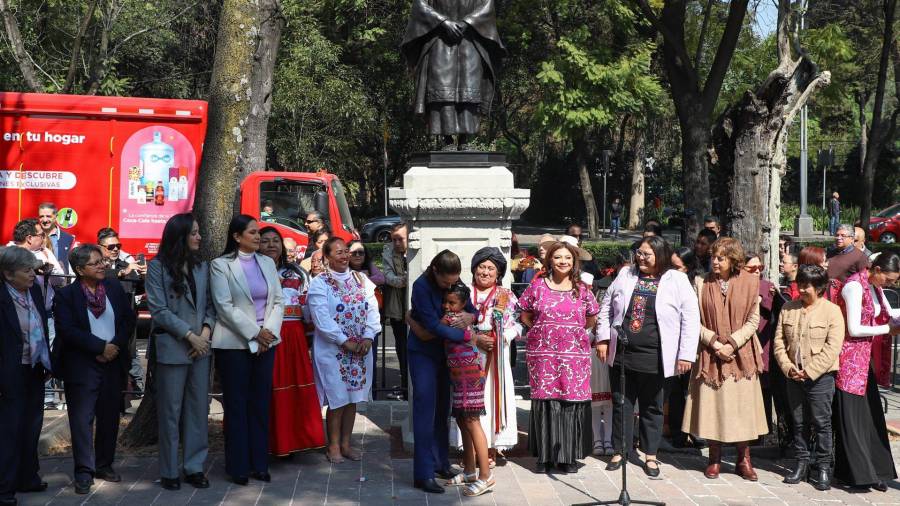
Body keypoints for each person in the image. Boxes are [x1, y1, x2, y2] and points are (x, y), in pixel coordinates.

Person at [596, 236, 700, 477]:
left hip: (657, 356)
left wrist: (685, 354)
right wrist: (602, 338)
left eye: (647, 254)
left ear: (660, 256)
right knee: (622, 403)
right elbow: (606, 307)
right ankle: (620, 451)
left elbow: (691, 318)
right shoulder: (626, 275)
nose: (641, 258)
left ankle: (650, 455)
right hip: (623, 354)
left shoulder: (677, 279)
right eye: (639, 253)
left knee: (653, 407)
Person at [682, 237, 768, 481]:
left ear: (734, 260)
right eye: (713, 257)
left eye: (721, 258)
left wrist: (731, 343)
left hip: (741, 355)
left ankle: (744, 459)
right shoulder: (700, 282)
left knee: (742, 409)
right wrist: (713, 341)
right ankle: (714, 458)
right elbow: (693, 319)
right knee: (713, 408)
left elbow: (753, 320)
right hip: (710, 354)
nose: (715, 262)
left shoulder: (751, 283)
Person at [53, 244, 135, 495]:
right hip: (82, 364)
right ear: (79, 269)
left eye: (102, 261)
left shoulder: (113, 288)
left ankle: (104, 465)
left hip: (113, 361)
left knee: (110, 416)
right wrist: (99, 347)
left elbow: (127, 320)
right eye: (95, 263)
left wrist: (114, 347)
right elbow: (67, 330)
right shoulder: (67, 295)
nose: (103, 266)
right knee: (81, 419)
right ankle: (84, 471)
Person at [210, 215, 284, 485]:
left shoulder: (266, 263)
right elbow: (224, 306)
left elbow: (278, 300)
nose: (258, 237)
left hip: (267, 343)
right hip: (235, 344)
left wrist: (269, 334)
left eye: (258, 233)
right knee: (237, 406)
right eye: (252, 233)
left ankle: (259, 463)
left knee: (260, 404)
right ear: (237, 236)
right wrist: (256, 333)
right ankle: (238, 466)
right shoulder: (221, 265)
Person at [145, 214, 215, 491]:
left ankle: (194, 467)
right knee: (170, 412)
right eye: (194, 233)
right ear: (180, 236)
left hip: (201, 349)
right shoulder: (157, 267)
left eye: (199, 232)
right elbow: (159, 310)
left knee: (198, 410)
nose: (199, 237)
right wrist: (189, 336)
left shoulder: (202, 266)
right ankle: (169, 470)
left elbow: (211, 305)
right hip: (174, 347)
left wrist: (205, 335)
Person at [518, 241, 600, 474]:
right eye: (558, 257)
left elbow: (591, 318)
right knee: (546, 402)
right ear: (549, 260)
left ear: (574, 261)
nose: (563, 261)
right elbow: (525, 314)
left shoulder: (582, 289)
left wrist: (570, 333)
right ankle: (544, 457)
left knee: (570, 403)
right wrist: (543, 331)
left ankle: (567, 457)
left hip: (574, 356)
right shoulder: (537, 287)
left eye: (568, 258)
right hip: (543, 355)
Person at [406, 250, 476, 493]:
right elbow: (432, 327)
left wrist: (469, 316)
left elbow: (472, 308)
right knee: (425, 410)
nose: (451, 286)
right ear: (435, 270)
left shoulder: (455, 281)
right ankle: (422, 474)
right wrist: (468, 336)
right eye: (446, 282)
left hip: (447, 354)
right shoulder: (421, 287)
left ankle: (440, 463)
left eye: (454, 281)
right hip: (423, 353)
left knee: (443, 409)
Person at [447, 247, 521, 467]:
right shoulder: (462, 292)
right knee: (468, 402)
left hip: (495, 355)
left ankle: (490, 449)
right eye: (482, 267)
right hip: (466, 355)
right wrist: (475, 338)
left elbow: (517, 324)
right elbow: (451, 318)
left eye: (491, 268)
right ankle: (469, 451)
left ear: (498, 273)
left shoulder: (505, 295)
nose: (486, 272)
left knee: (491, 398)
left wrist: (501, 338)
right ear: (474, 269)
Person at [308, 237, 380, 463]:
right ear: (327, 257)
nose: (344, 256)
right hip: (333, 350)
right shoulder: (320, 283)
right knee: (337, 398)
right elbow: (321, 318)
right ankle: (334, 446)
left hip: (360, 350)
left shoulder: (361, 279)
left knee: (352, 398)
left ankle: (347, 444)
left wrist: (368, 336)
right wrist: (343, 341)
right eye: (337, 252)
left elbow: (372, 310)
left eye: (346, 251)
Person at [772, 265, 844, 491]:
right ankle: (801, 463)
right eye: (800, 284)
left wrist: (810, 371)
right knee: (799, 421)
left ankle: (822, 466)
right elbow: (779, 343)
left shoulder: (832, 311)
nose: (802, 290)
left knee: (821, 423)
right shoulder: (788, 308)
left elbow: (833, 348)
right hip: (793, 375)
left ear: (820, 287)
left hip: (820, 377)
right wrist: (788, 367)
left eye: (807, 286)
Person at [832, 252, 900, 491]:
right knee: (852, 418)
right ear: (878, 270)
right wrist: (886, 329)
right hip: (849, 358)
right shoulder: (854, 287)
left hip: (864, 360)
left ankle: (876, 470)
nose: (890, 285)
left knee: (871, 418)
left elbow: (891, 315)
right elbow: (852, 327)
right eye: (889, 280)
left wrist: (892, 323)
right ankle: (854, 473)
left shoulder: (875, 288)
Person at [258, 227, 326, 456]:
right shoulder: (251, 271)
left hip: (293, 336)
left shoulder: (297, 273)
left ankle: (295, 442)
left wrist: (309, 337)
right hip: (264, 336)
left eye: (275, 241)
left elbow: (306, 307)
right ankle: (269, 443)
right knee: (269, 388)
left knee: (294, 388)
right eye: (265, 241)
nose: (271, 245)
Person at [0, 246, 51, 505]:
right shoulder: (2, 297)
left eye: (33, 269)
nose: (33, 274)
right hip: (10, 372)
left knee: (32, 426)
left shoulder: (34, 292)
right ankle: (4, 488)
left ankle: (27, 477)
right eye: (27, 270)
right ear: (8, 274)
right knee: (9, 430)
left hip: (35, 367)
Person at [440, 282, 494, 496]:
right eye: (445, 301)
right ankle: (470, 470)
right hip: (459, 377)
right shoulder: (458, 317)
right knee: (463, 420)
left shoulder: (456, 320)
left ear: (463, 304)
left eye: (452, 302)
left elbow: (438, 327)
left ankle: (486, 475)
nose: (447, 306)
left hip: (470, 376)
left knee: (472, 420)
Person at [666, 247, 707, 449]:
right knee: (674, 392)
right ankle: (677, 434)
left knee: (693, 391)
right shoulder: (666, 281)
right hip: (672, 344)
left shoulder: (699, 283)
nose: (672, 271)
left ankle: (697, 432)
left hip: (696, 343)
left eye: (677, 267)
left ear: (689, 267)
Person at [97, 227, 145, 394]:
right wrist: (122, 272)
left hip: (125, 319)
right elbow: (102, 275)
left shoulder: (126, 265)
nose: (116, 249)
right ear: (101, 247)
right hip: (102, 320)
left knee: (129, 352)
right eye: (111, 247)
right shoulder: (97, 265)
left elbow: (138, 289)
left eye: (118, 245)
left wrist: (143, 277)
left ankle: (133, 388)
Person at [382, 222, 410, 400]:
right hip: (397, 308)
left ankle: (412, 384)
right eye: (394, 239)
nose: (397, 243)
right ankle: (405, 386)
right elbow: (388, 276)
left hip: (413, 306)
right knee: (401, 348)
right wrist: (404, 280)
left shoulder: (414, 250)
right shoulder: (388, 251)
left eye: (400, 239)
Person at [38, 202, 74, 275]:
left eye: (48, 216)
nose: (44, 220)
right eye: (41, 216)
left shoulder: (68, 239)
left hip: (61, 284)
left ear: (56, 217)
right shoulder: (32, 236)